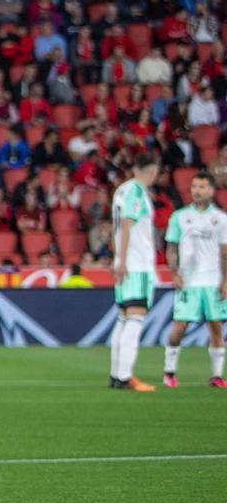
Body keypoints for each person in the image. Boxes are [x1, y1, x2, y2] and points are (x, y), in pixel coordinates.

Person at [162, 170, 227, 389]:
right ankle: (169, 371)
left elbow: (225, 252)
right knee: (180, 327)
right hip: (189, 280)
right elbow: (171, 247)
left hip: (213, 280)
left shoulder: (220, 218)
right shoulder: (179, 216)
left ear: (211, 190)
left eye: (202, 187)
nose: (197, 191)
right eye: (194, 187)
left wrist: (225, 280)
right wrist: (175, 273)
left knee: (216, 326)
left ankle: (216, 376)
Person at [108, 155, 161, 392]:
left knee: (123, 318)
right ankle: (125, 376)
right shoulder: (138, 191)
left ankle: (116, 374)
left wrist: (117, 257)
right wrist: (123, 260)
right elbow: (127, 223)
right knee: (135, 319)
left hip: (125, 262)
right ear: (151, 173)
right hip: (136, 264)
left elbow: (116, 227)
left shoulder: (121, 190)